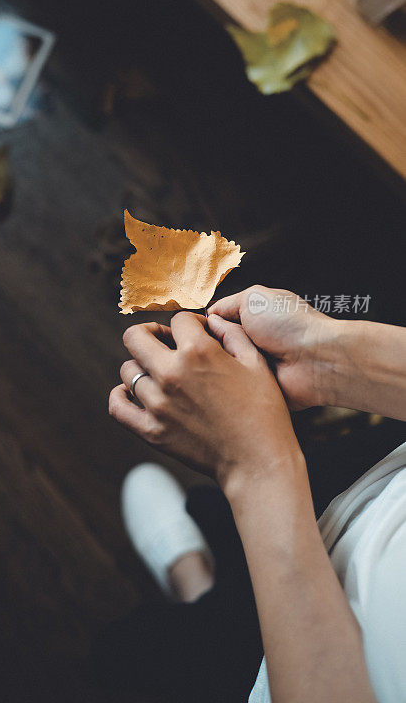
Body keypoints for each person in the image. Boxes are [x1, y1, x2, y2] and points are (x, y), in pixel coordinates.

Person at [106, 285, 406, 703]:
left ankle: (191, 580)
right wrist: (332, 357)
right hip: (381, 478)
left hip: (301, 651)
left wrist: (251, 467)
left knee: (217, 638)